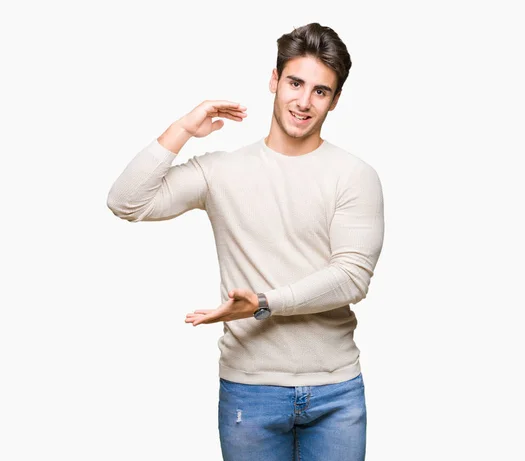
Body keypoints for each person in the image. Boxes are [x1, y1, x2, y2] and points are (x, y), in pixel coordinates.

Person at [106, 22, 384, 461]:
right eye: (295, 83)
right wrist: (181, 128)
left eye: (320, 91)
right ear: (274, 81)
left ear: (335, 100)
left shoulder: (355, 175)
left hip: (335, 392)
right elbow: (126, 202)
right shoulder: (221, 172)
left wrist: (263, 302)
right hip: (250, 392)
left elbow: (351, 279)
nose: (304, 101)